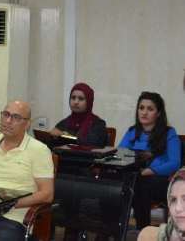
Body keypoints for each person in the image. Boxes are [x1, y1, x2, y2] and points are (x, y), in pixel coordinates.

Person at [0, 100, 54, 241]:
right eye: (6, 114)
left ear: (27, 124)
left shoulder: (39, 150)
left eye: (16, 117)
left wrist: (8, 204)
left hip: (13, 217)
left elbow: (47, 194)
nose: (8, 121)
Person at [119, 91, 181, 229]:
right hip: (134, 177)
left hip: (160, 179)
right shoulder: (132, 132)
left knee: (139, 185)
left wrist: (150, 170)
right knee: (113, 183)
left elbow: (174, 163)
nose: (144, 112)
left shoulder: (169, 133)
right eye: (141, 108)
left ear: (158, 113)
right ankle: (110, 228)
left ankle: (143, 229)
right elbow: (119, 155)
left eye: (150, 109)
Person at [50, 82, 108, 147]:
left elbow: (92, 145)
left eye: (81, 99)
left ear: (89, 102)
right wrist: (52, 136)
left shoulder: (98, 124)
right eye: (73, 98)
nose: (76, 102)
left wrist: (64, 135)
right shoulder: (64, 123)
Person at [138, 168, 185, 241]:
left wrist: (153, 170)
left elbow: (173, 163)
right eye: (173, 200)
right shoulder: (148, 235)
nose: (177, 208)